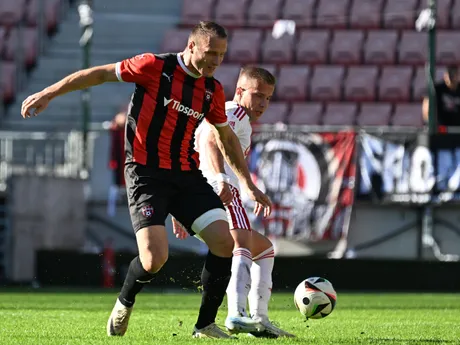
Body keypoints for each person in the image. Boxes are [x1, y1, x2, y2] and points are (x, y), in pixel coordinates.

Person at [20, 21, 272, 339]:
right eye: (211, 53)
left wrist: (247, 183)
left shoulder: (212, 90)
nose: (216, 62)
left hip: (186, 173)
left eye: (221, 56)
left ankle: (205, 325)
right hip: (144, 172)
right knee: (155, 258)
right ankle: (125, 301)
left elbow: (226, 138)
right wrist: (49, 92)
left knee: (224, 242)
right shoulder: (155, 66)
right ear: (192, 46)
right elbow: (100, 73)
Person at [172, 66, 295, 338]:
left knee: (263, 249)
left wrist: (181, 208)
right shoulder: (234, 113)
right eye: (258, 95)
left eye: (268, 98)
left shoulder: (235, 117)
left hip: (200, 191)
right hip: (222, 191)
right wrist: (221, 179)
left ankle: (259, 320)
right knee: (241, 243)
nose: (263, 103)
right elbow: (210, 141)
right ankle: (237, 314)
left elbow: (197, 147)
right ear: (240, 91)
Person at [107, 110, 127, 217]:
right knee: (115, 186)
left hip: (130, 161)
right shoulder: (117, 129)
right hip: (119, 161)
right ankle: (111, 210)